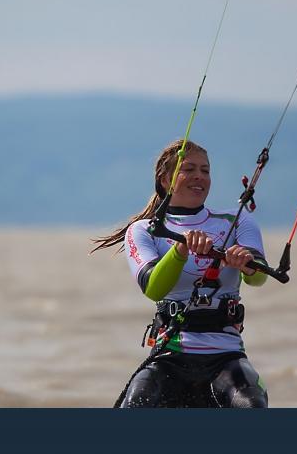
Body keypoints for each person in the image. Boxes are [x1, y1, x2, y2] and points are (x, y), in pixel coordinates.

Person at [92, 139, 269, 408]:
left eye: (205, 170)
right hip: (169, 357)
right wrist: (180, 250)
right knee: (136, 404)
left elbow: (258, 277)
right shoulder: (144, 230)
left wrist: (245, 263)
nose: (199, 176)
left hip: (227, 357)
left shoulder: (236, 220)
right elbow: (153, 288)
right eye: (189, 169)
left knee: (252, 403)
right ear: (165, 180)